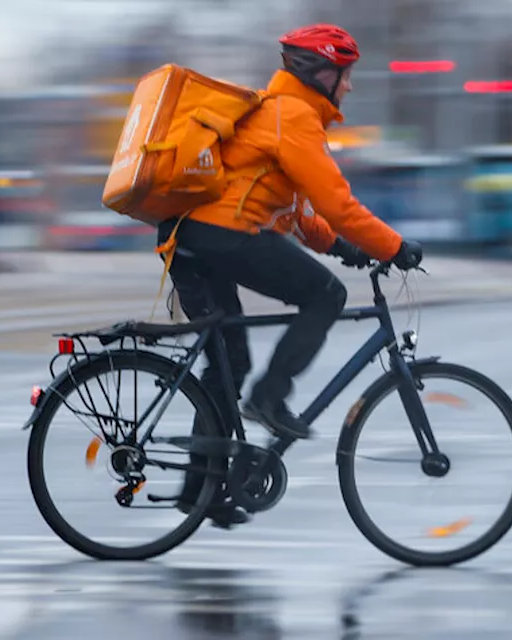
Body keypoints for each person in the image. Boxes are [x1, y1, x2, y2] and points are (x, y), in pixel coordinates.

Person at [159, 24, 422, 527]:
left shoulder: (277, 114)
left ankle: (201, 492)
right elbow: (337, 203)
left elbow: (296, 212)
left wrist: (341, 247)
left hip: (193, 238)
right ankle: (270, 396)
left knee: (227, 362)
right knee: (325, 295)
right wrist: (394, 247)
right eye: (345, 76)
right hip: (222, 236)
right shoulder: (292, 117)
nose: (348, 87)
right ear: (321, 72)